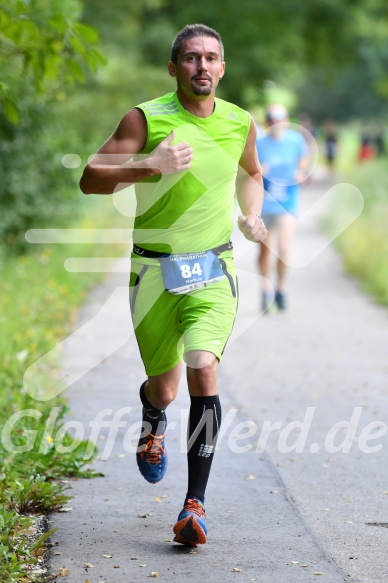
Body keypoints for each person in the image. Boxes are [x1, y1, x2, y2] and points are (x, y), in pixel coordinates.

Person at [79, 23, 267, 547]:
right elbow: (91, 177)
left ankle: (195, 505)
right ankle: (153, 413)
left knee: (203, 368)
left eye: (211, 58)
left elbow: (251, 173)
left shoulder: (239, 123)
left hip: (212, 267)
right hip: (152, 271)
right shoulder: (145, 117)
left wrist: (251, 216)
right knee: (164, 386)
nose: (202, 67)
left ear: (223, 68)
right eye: (190, 58)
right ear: (173, 68)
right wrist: (149, 166)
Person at [256, 104, 308, 312]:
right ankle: (265, 290)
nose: (277, 124)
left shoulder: (296, 140)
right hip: (264, 203)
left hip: (287, 202)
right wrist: (259, 170)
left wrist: (301, 170)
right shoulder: (259, 143)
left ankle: (280, 290)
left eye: (281, 120)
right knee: (265, 252)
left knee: (284, 248)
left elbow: (303, 159)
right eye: (273, 120)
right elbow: (248, 171)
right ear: (267, 122)